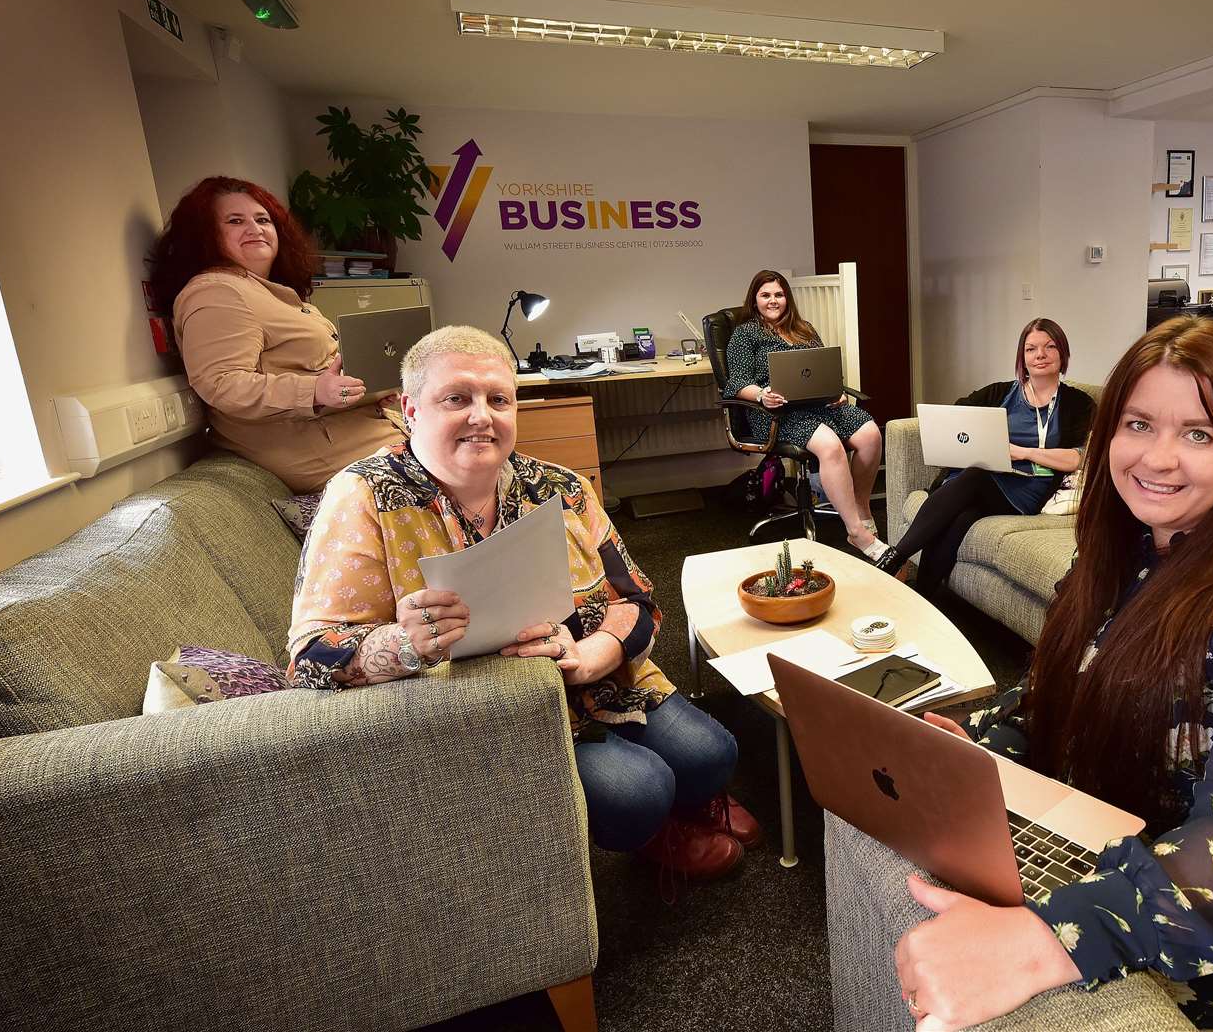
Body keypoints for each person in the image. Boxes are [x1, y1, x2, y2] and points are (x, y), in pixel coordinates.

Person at [892, 317, 1213, 1031]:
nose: (1158, 459)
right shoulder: (1127, 548)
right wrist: (974, 747)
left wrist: (1045, 941)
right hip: (1127, 838)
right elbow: (1050, 693)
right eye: (1138, 424)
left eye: (1199, 434)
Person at [287, 325, 759, 880]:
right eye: (456, 398)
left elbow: (636, 600)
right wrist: (402, 643)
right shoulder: (363, 495)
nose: (482, 416)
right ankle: (659, 831)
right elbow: (309, 657)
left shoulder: (559, 487)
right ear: (410, 410)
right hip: (489, 715)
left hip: (593, 679)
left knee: (714, 754)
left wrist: (592, 654)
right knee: (639, 792)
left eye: (499, 399)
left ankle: (690, 798)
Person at [150, 176, 402, 494]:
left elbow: (309, 371)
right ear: (205, 234)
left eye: (262, 219)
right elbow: (222, 384)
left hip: (354, 431)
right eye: (235, 221)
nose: (255, 229)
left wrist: (370, 390)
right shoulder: (216, 292)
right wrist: (314, 391)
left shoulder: (267, 291)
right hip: (319, 450)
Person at [874, 318, 1093, 598]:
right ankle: (924, 597)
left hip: (1028, 486)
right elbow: (956, 419)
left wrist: (1020, 452)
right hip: (984, 479)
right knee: (962, 516)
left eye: (1050, 347)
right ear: (1022, 357)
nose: (1040, 355)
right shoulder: (1000, 393)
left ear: (1063, 354)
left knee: (975, 476)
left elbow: (1077, 458)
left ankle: (894, 558)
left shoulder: (1078, 403)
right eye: (1031, 349)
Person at [722, 269, 886, 557]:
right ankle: (856, 533)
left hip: (818, 405)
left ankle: (861, 506)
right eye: (766, 295)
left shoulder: (804, 329)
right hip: (775, 413)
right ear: (755, 299)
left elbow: (822, 370)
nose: (773, 300)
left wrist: (837, 391)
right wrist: (762, 394)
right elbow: (737, 383)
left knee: (871, 434)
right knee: (830, 445)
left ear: (787, 298)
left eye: (779, 294)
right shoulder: (745, 334)